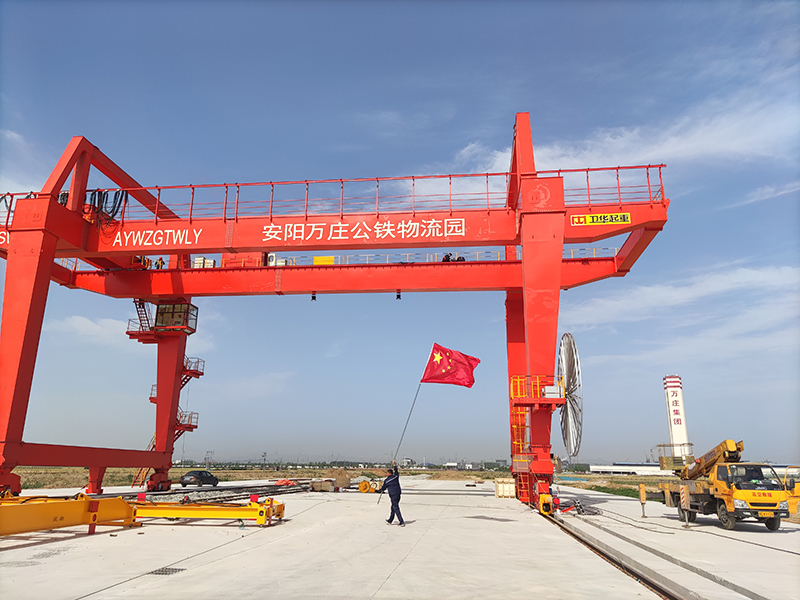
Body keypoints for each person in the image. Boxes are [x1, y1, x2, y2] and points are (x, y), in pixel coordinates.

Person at [383, 462, 404, 526]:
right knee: (393, 507)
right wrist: (394, 464)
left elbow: (383, 488)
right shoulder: (396, 477)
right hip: (398, 494)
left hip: (393, 495)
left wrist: (377, 490)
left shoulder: (387, 481)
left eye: (387, 473)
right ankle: (390, 520)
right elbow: (396, 471)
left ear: (388, 473)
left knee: (395, 507)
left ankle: (401, 521)